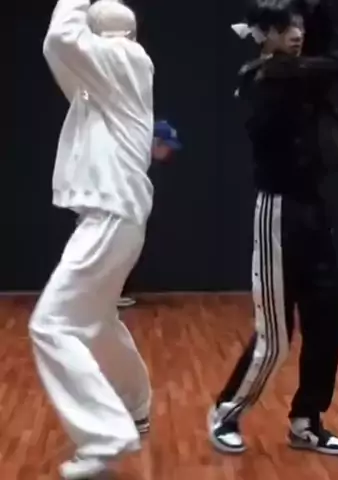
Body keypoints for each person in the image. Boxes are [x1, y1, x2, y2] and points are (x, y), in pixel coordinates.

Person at [207, 0, 338, 457]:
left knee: (327, 323)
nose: (296, 33)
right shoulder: (262, 76)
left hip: (313, 210)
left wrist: (312, 9)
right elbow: (337, 63)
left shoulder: (298, 70)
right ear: (263, 33)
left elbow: (332, 57)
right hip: (278, 212)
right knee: (274, 336)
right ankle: (226, 412)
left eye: (298, 25)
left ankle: (306, 421)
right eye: (284, 27)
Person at [29, 0, 154, 477]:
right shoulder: (101, 83)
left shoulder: (123, 60)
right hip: (111, 218)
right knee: (98, 322)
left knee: (52, 325)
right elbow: (57, 49)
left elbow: (61, 38)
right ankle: (135, 405)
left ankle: (106, 436)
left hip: (111, 217)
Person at [118, 120, 182, 308]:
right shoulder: (132, 161)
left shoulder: (145, 163)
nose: (169, 152)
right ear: (155, 142)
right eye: (166, 146)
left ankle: (114, 293)